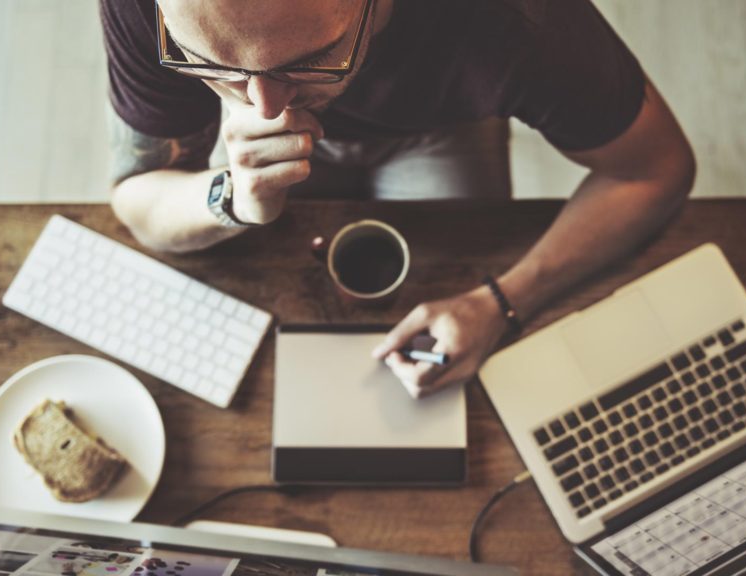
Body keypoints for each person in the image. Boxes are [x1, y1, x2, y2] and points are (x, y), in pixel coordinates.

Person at [100, 0, 696, 399]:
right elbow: (136, 198)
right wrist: (229, 194)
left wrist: (502, 303)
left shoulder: (520, 20)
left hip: (440, 128)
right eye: (208, 64)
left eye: (312, 61)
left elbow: (655, 171)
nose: (267, 110)